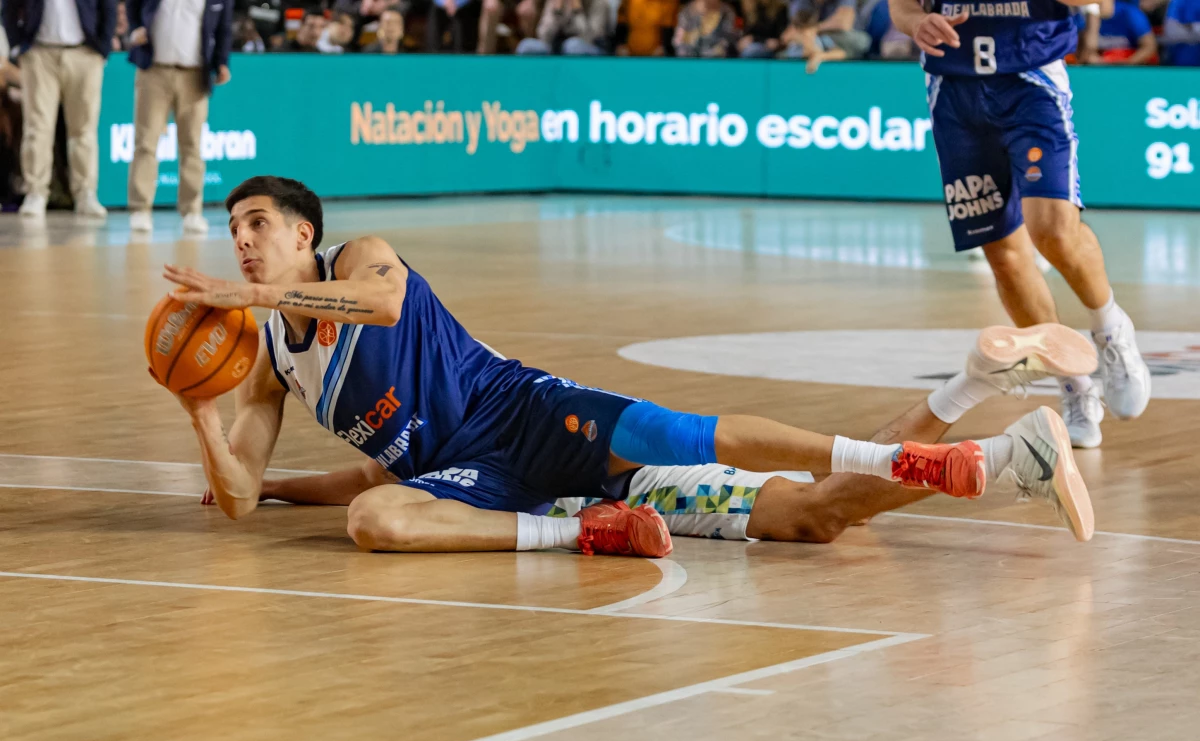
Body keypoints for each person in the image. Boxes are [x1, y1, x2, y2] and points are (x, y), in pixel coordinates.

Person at [164, 175, 1094, 557]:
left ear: (304, 234)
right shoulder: (272, 368)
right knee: (377, 519)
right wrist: (197, 407)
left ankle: (956, 424)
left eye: (257, 226)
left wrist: (250, 299)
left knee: (715, 446)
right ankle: (587, 534)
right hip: (494, 485)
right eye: (233, 230)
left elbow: (385, 305)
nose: (242, 242)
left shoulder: (362, 254)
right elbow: (249, 495)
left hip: (524, 412)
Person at [225, 323, 1099, 547]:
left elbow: (377, 491)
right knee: (816, 513)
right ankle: (978, 391)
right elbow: (371, 484)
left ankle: (1010, 446)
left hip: (596, 477)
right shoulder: (408, 432)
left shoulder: (398, 362)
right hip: (577, 460)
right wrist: (272, 486)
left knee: (815, 517)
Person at [888, 0, 1152, 450]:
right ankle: (1074, 386)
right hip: (954, 91)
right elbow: (902, 9)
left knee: (1051, 229)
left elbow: (1101, 5)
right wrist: (918, 24)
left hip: (1030, 80)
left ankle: (1112, 330)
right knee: (1004, 256)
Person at [126, 0, 234, 236]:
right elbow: (133, 8)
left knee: (192, 146)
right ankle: (140, 209)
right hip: (153, 70)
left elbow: (223, 29)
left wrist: (222, 62)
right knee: (145, 142)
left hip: (195, 74)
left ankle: (192, 211)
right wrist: (135, 29)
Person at [2, 0, 116, 220]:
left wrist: (102, 47)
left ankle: (85, 193)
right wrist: (17, 45)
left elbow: (108, 6)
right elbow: (9, 6)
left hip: (84, 51)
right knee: (37, 127)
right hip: (39, 52)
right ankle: (36, 192)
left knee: (84, 128)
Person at [780, 0, 872, 72]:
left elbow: (844, 24)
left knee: (861, 40)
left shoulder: (822, 39)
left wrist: (820, 55)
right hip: (800, 81)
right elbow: (789, 37)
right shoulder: (795, 47)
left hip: (839, 40)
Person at [1075, 0, 1158, 63]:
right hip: (1099, 71)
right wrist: (1092, 25)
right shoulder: (1085, 18)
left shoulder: (1130, 14)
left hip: (1129, 69)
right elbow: (1083, 56)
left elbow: (1149, 47)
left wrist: (1126, 63)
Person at [515, 0, 608, 54]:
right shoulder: (556, 1)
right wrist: (557, 11)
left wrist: (577, 11)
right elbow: (543, 36)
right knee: (526, 46)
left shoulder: (599, 3)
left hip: (592, 50)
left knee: (573, 46)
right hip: (557, 47)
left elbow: (588, 38)